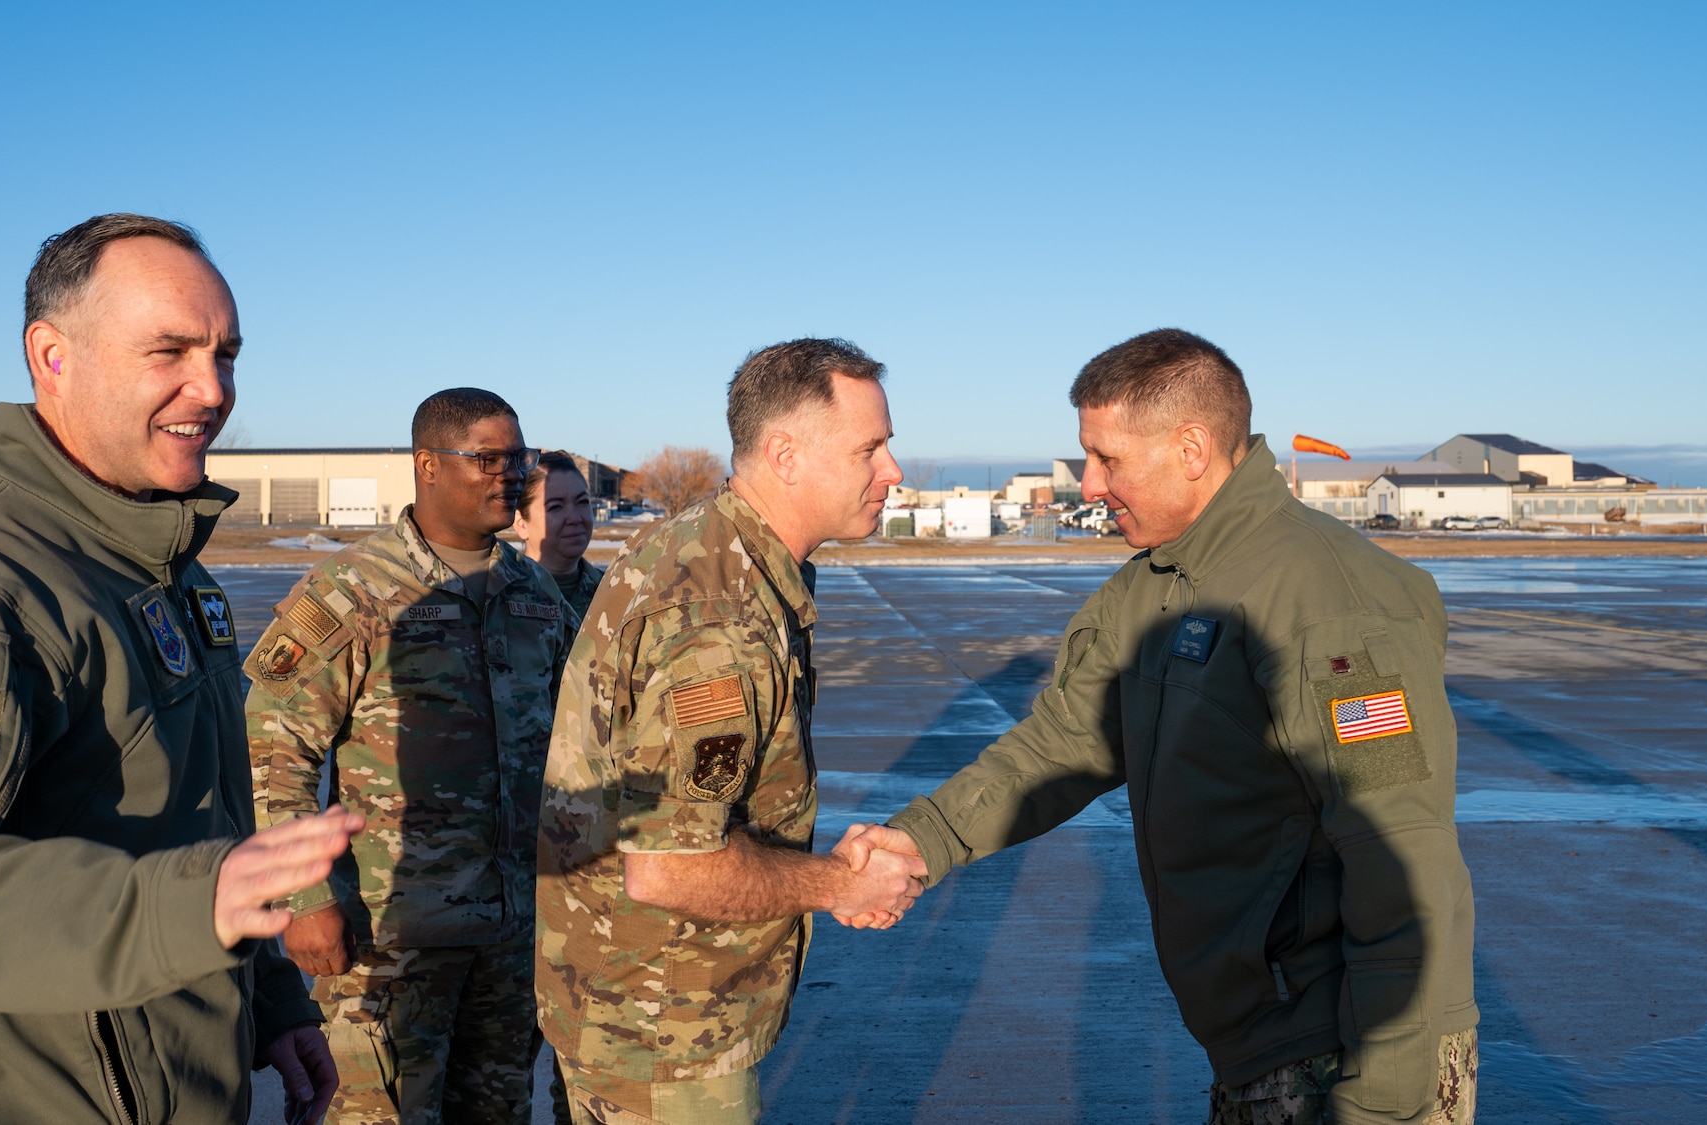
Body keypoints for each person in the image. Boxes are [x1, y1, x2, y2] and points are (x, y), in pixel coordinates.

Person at [842, 329, 1479, 1125]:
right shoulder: (1150, 590)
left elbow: (1404, 855)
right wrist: (921, 840)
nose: (1092, 481)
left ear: (1192, 449)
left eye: (1108, 458)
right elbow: (1060, 747)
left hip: (1348, 1043)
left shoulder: (1329, 596)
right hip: (1262, 1036)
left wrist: (1389, 1096)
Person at [0, 213, 361, 1125]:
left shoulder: (154, 554)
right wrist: (188, 911)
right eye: (170, 351)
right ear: (53, 357)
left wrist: (265, 998)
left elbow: (198, 812)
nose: (214, 388)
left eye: (226, 353)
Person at [537, 338, 926, 1125]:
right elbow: (671, 868)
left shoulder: (710, 551)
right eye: (871, 447)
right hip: (664, 1032)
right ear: (785, 454)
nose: (893, 471)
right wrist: (843, 884)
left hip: (630, 1009)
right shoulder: (719, 615)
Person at [247, 388, 576, 1125]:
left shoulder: (535, 596)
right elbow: (274, 749)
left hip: (512, 935)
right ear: (428, 465)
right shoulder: (353, 591)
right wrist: (304, 897)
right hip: (391, 938)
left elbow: (587, 744)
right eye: (487, 458)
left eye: (517, 458)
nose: (510, 475)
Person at [514, 450, 603, 620]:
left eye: (582, 502)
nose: (575, 518)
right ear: (521, 523)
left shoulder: (616, 592)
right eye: (555, 507)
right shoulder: (496, 596)